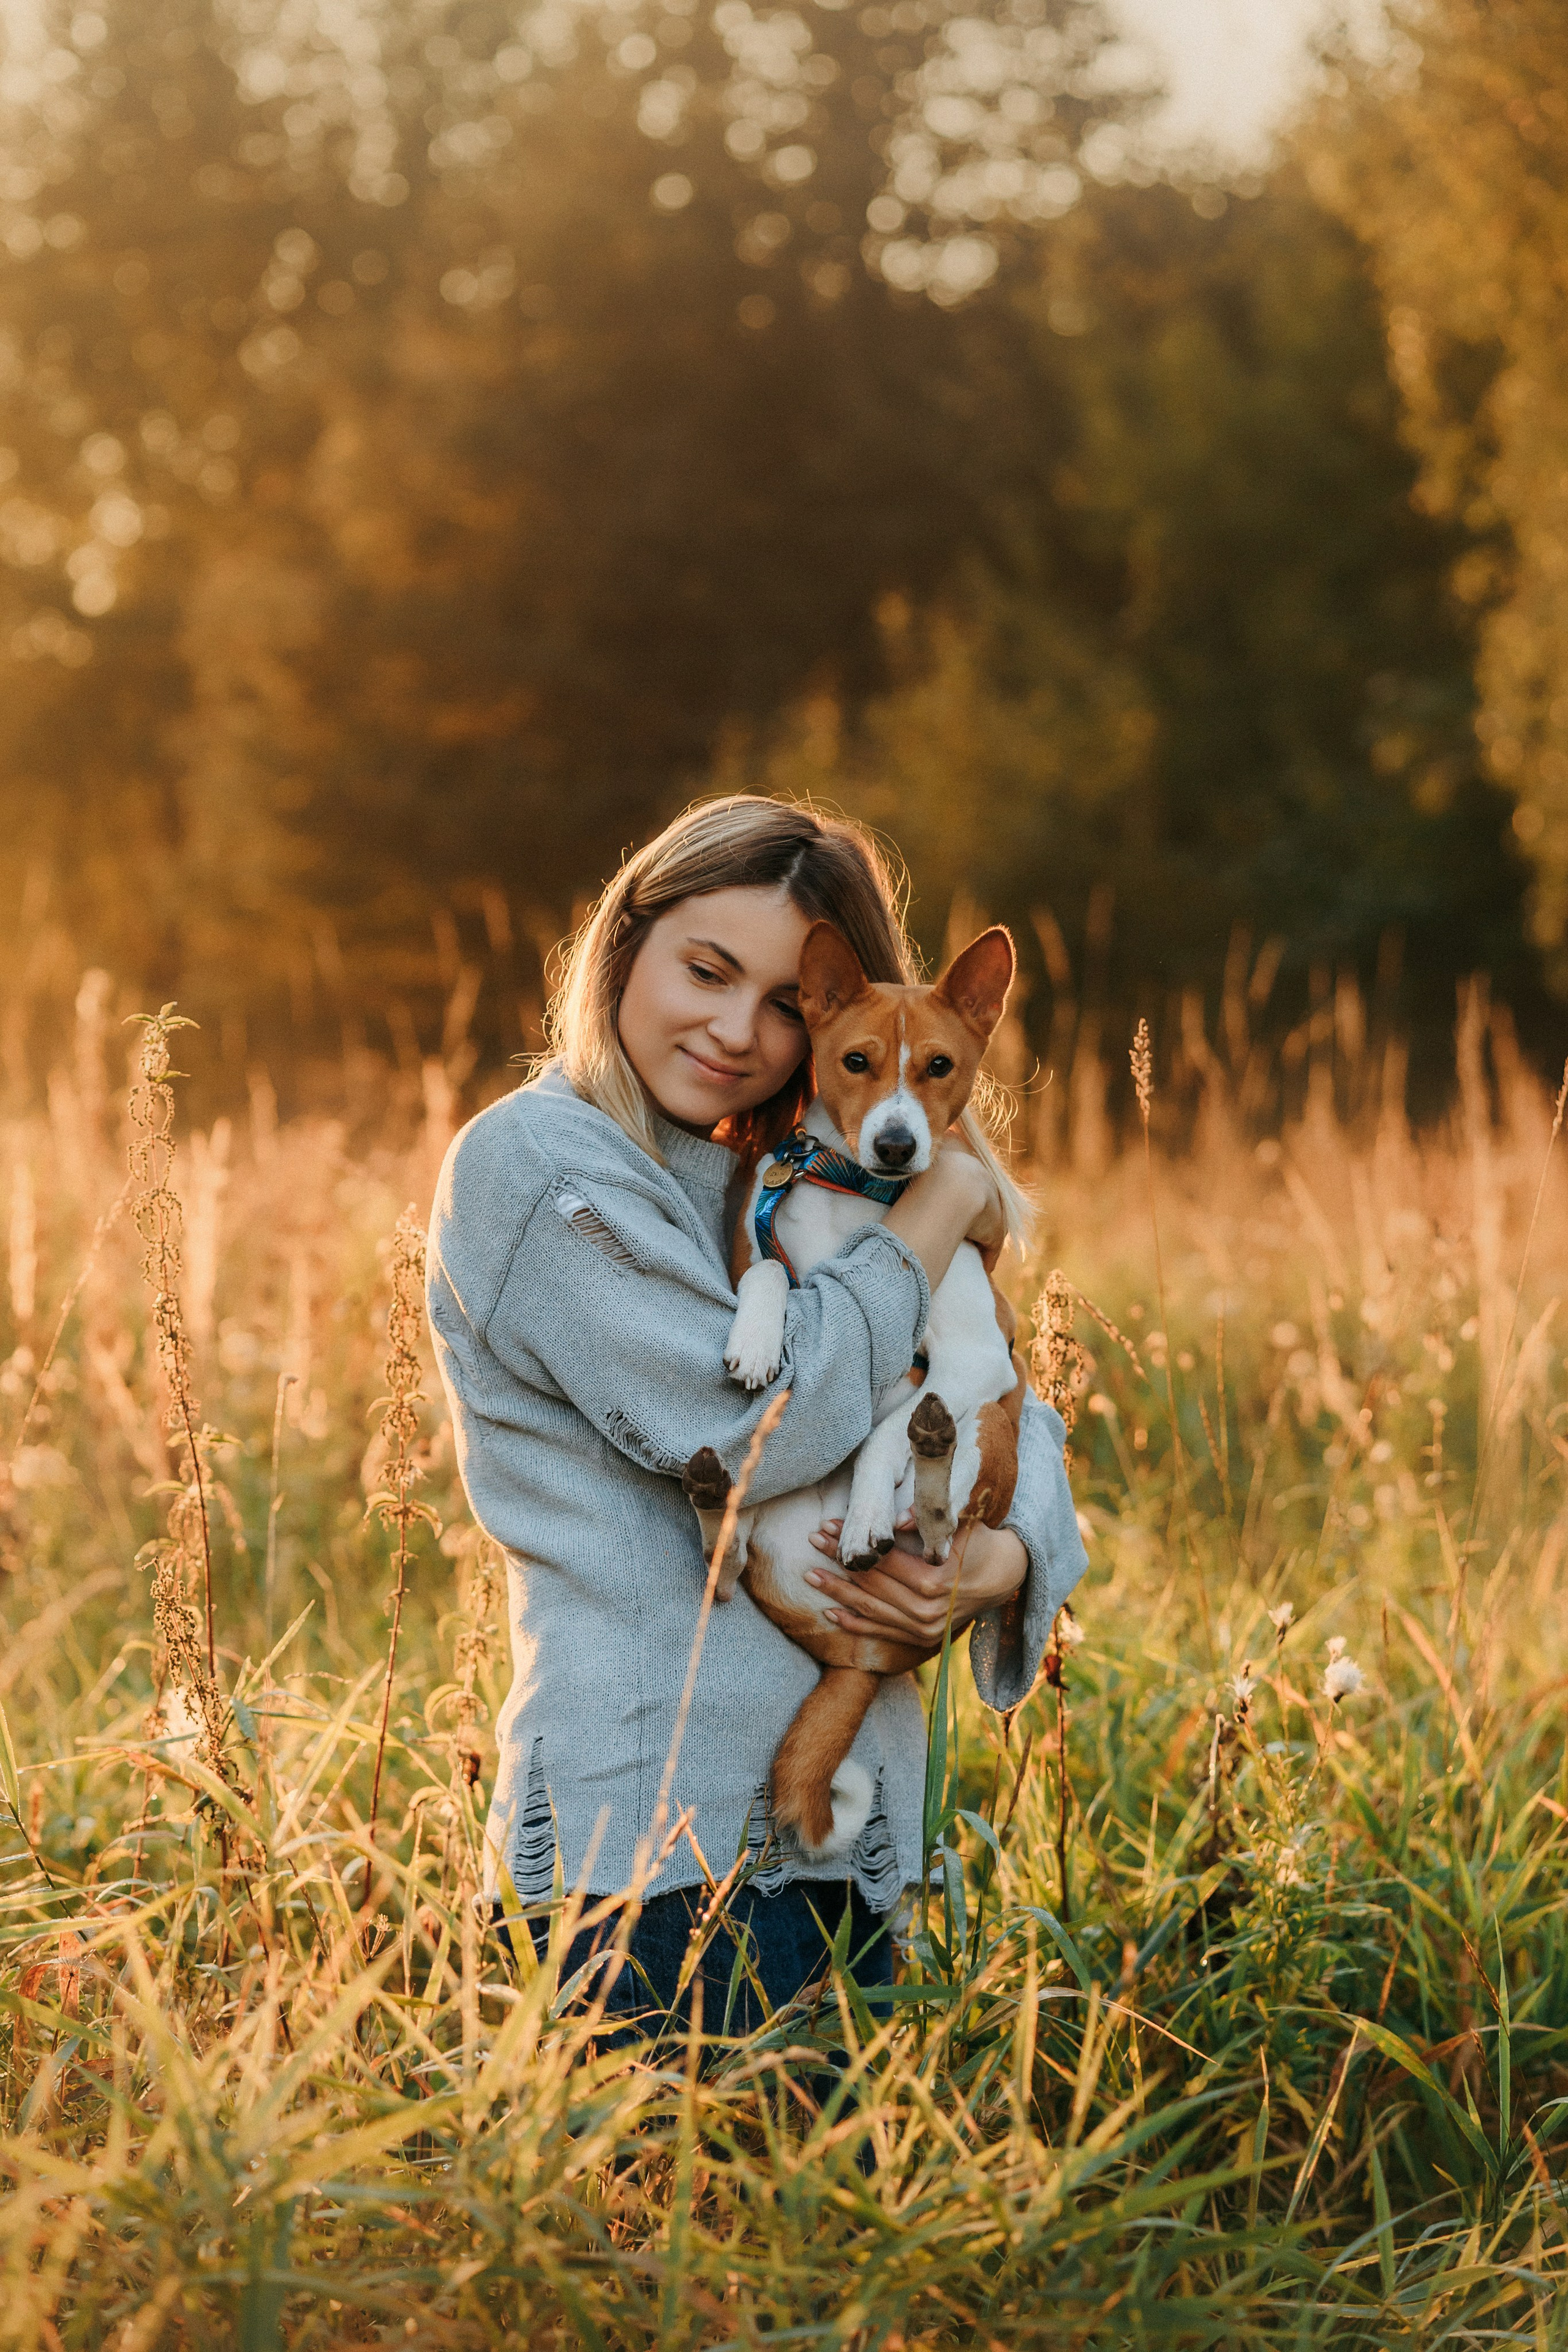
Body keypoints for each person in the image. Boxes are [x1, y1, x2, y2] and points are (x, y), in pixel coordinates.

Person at [426, 795, 1087, 2033]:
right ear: (624, 942)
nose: (735, 1030)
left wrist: (995, 1560)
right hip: (654, 1864)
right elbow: (754, 1426)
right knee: (674, 2227)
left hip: (850, 1845)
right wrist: (942, 1208)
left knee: (833, 2230)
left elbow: (1009, 1411)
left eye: (783, 1001)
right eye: (703, 969)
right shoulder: (536, 1172)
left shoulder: (800, 1170)